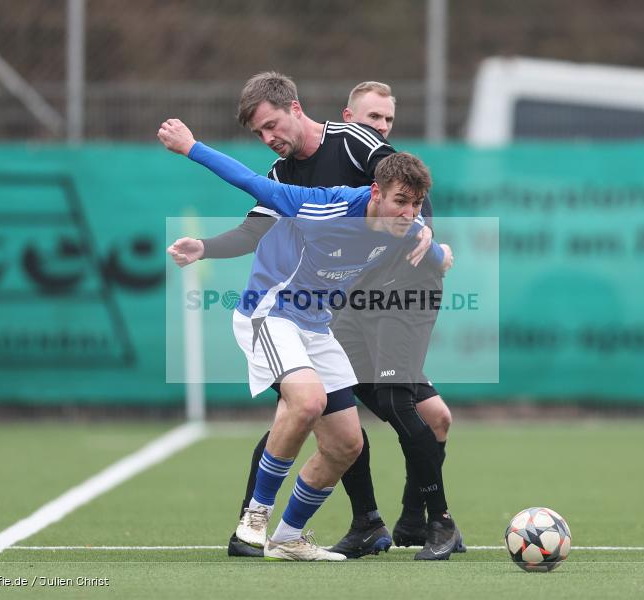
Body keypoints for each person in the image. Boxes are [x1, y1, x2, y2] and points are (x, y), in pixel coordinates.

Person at [168, 74, 462, 560]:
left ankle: (288, 538)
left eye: (414, 206)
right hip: (271, 312)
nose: (408, 213)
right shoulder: (321, 204)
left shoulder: (404, 223)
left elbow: (432, 251)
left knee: (347, 443)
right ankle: (252, 523)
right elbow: (250, 183)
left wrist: (440, 250)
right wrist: (192, 147)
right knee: (305, 402)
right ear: (373, 193)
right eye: (400, 203)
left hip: (315, 325)